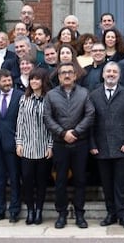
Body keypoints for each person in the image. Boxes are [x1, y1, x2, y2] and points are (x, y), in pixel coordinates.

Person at [43, 62, 95, 229]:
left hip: (80, 143)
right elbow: (47, 117)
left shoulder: (84, 93)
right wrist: (62, 133)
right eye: (63, 72)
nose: (66, 75)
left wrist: (76, 132)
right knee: (60, 181)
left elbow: (90, 114)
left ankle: (80, 214)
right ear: (58, 77)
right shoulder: (51, 95)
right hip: (60, 144)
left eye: (69, 72)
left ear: (75, 75)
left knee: (80, 179)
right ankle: (62, 214)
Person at [90, 62, 124, 229]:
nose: (111, 74)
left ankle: (123, 215)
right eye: (108, 71)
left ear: (119, 75)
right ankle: (111, 213)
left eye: (114, 72)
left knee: (121, 184)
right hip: (101, 147)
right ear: (103, 74)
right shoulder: (94, 94)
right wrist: (92, 144)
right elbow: (89, 121)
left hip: (121, 148)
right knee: (107, 184)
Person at [15, 67, 53, 225]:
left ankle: (39, 210)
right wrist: (19, 142)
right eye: (32, 79)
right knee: (28, 180)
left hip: (44, 147)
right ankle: (30, 210)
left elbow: (52, 124)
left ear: (43, 81)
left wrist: (50, 145)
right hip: (27, 147)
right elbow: (20, 122)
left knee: (42, 181)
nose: (34, 81)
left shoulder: (50, 99)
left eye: (37, 79)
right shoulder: (24, 99)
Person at [0, 69, 24, 223]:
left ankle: (15, 210)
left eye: (9, 80)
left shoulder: (19, 96)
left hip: (13, 143)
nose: (8, 83)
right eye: (4, 81)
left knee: (15, 177)